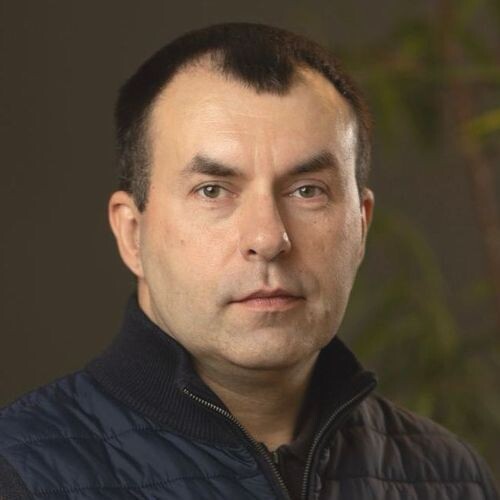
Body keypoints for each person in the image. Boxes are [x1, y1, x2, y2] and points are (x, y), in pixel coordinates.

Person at [0, 22, 498, 500]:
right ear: (132, 234)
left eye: (308, 190)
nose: (268, 238)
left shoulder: (448, 478)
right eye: (212, 190)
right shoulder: (19, 474)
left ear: (361, 226)